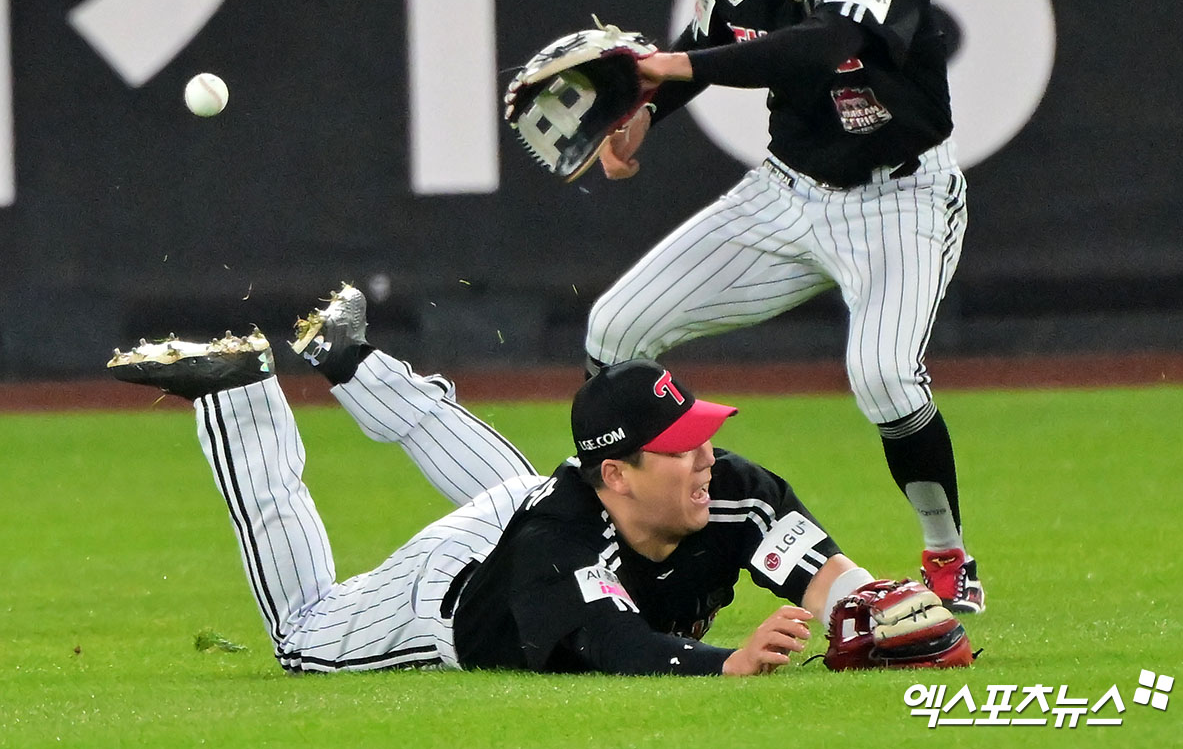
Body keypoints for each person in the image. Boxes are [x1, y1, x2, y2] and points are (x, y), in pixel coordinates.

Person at [107, 284, 972, 675]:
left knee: (528, 486)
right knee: (301, 638)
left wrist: (868, 607)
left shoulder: (725, 490)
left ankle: (349, 360)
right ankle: (240, 399)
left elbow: (823, 574)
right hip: (451, 594)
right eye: (682, 447)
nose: (708, 458)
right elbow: (614, 645)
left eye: (703, 435)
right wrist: (727, 665)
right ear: (619, 473)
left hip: (539, 506)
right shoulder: (558, 552)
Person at [584, 0, 983, 613]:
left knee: (884, 377)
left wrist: (673, 68)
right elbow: (705, 40)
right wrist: (646, 112)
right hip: (786, 193)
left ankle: (947, 554)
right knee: (615, 329)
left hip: (899, 199)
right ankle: (627, 538)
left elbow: (823, 44)